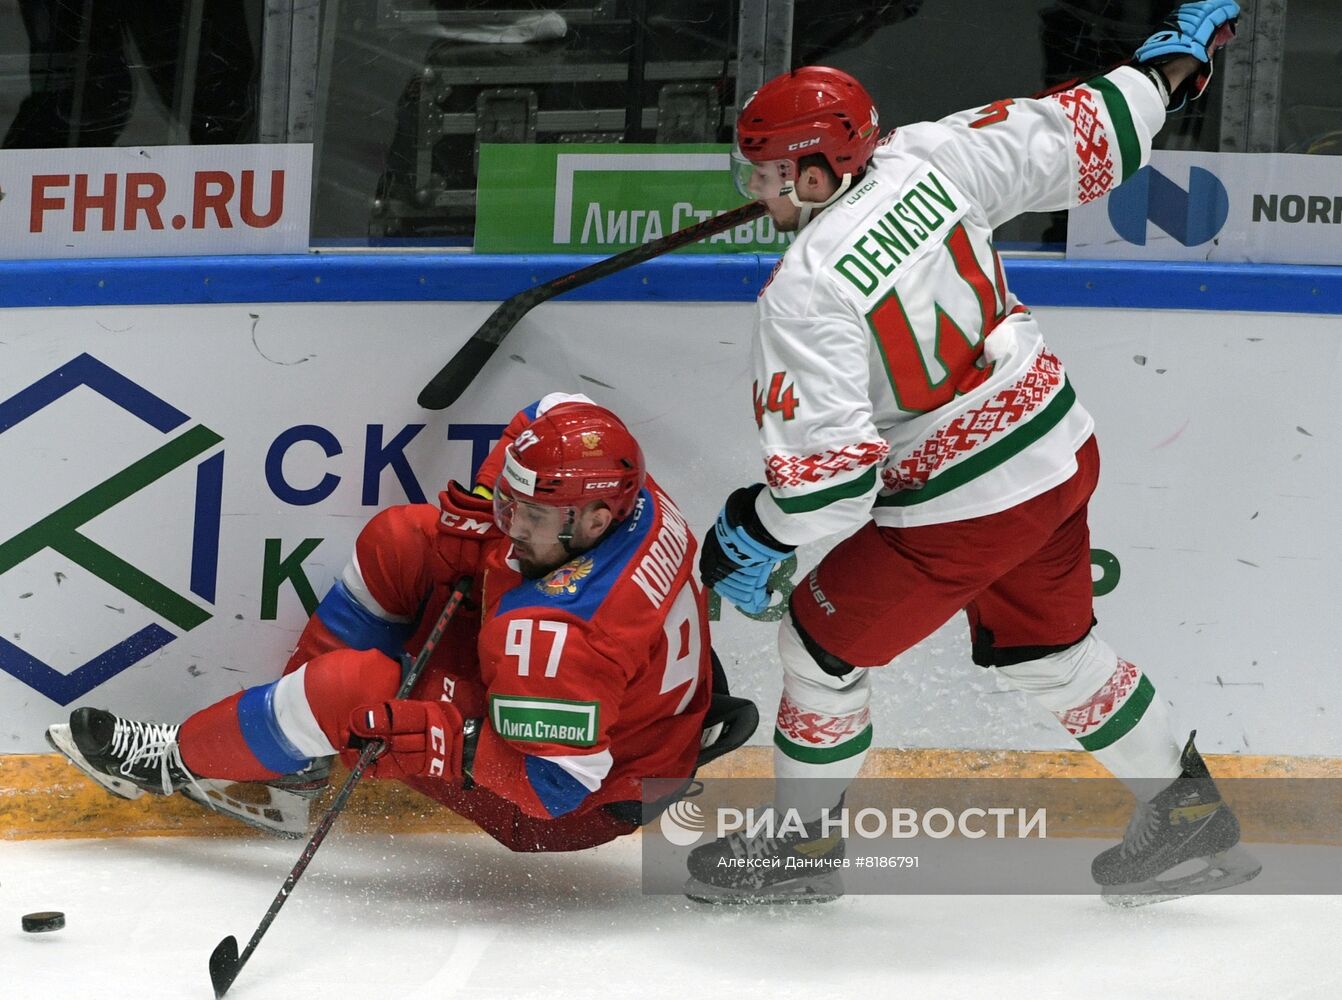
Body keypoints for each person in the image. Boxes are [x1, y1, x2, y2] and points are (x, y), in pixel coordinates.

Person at [691, 1, 1259, 903]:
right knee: (1052, 655)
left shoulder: (804, 292)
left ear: (812, 170)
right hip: (1058, 449)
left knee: (821, 647)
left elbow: (831, 490)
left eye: (763, 174)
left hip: (965, 504)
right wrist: (1170, 68)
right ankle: (1186, 814)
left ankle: (798, 848)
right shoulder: (929, 154)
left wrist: (747, 526)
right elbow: (1088, 130)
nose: (750, 189)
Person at [49, 393, 754, 853]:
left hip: (581, 799)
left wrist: (443, 742)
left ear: (594, 517)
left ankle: (174, 762)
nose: (508, 531)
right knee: (404, 540)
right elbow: (546, 411)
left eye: (527, 517)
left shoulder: (562, 634)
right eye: (512, 504)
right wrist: (492, 496)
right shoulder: (628, 492)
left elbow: (555, 789)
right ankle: (293, 758)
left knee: (349, 691)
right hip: (629, 710)